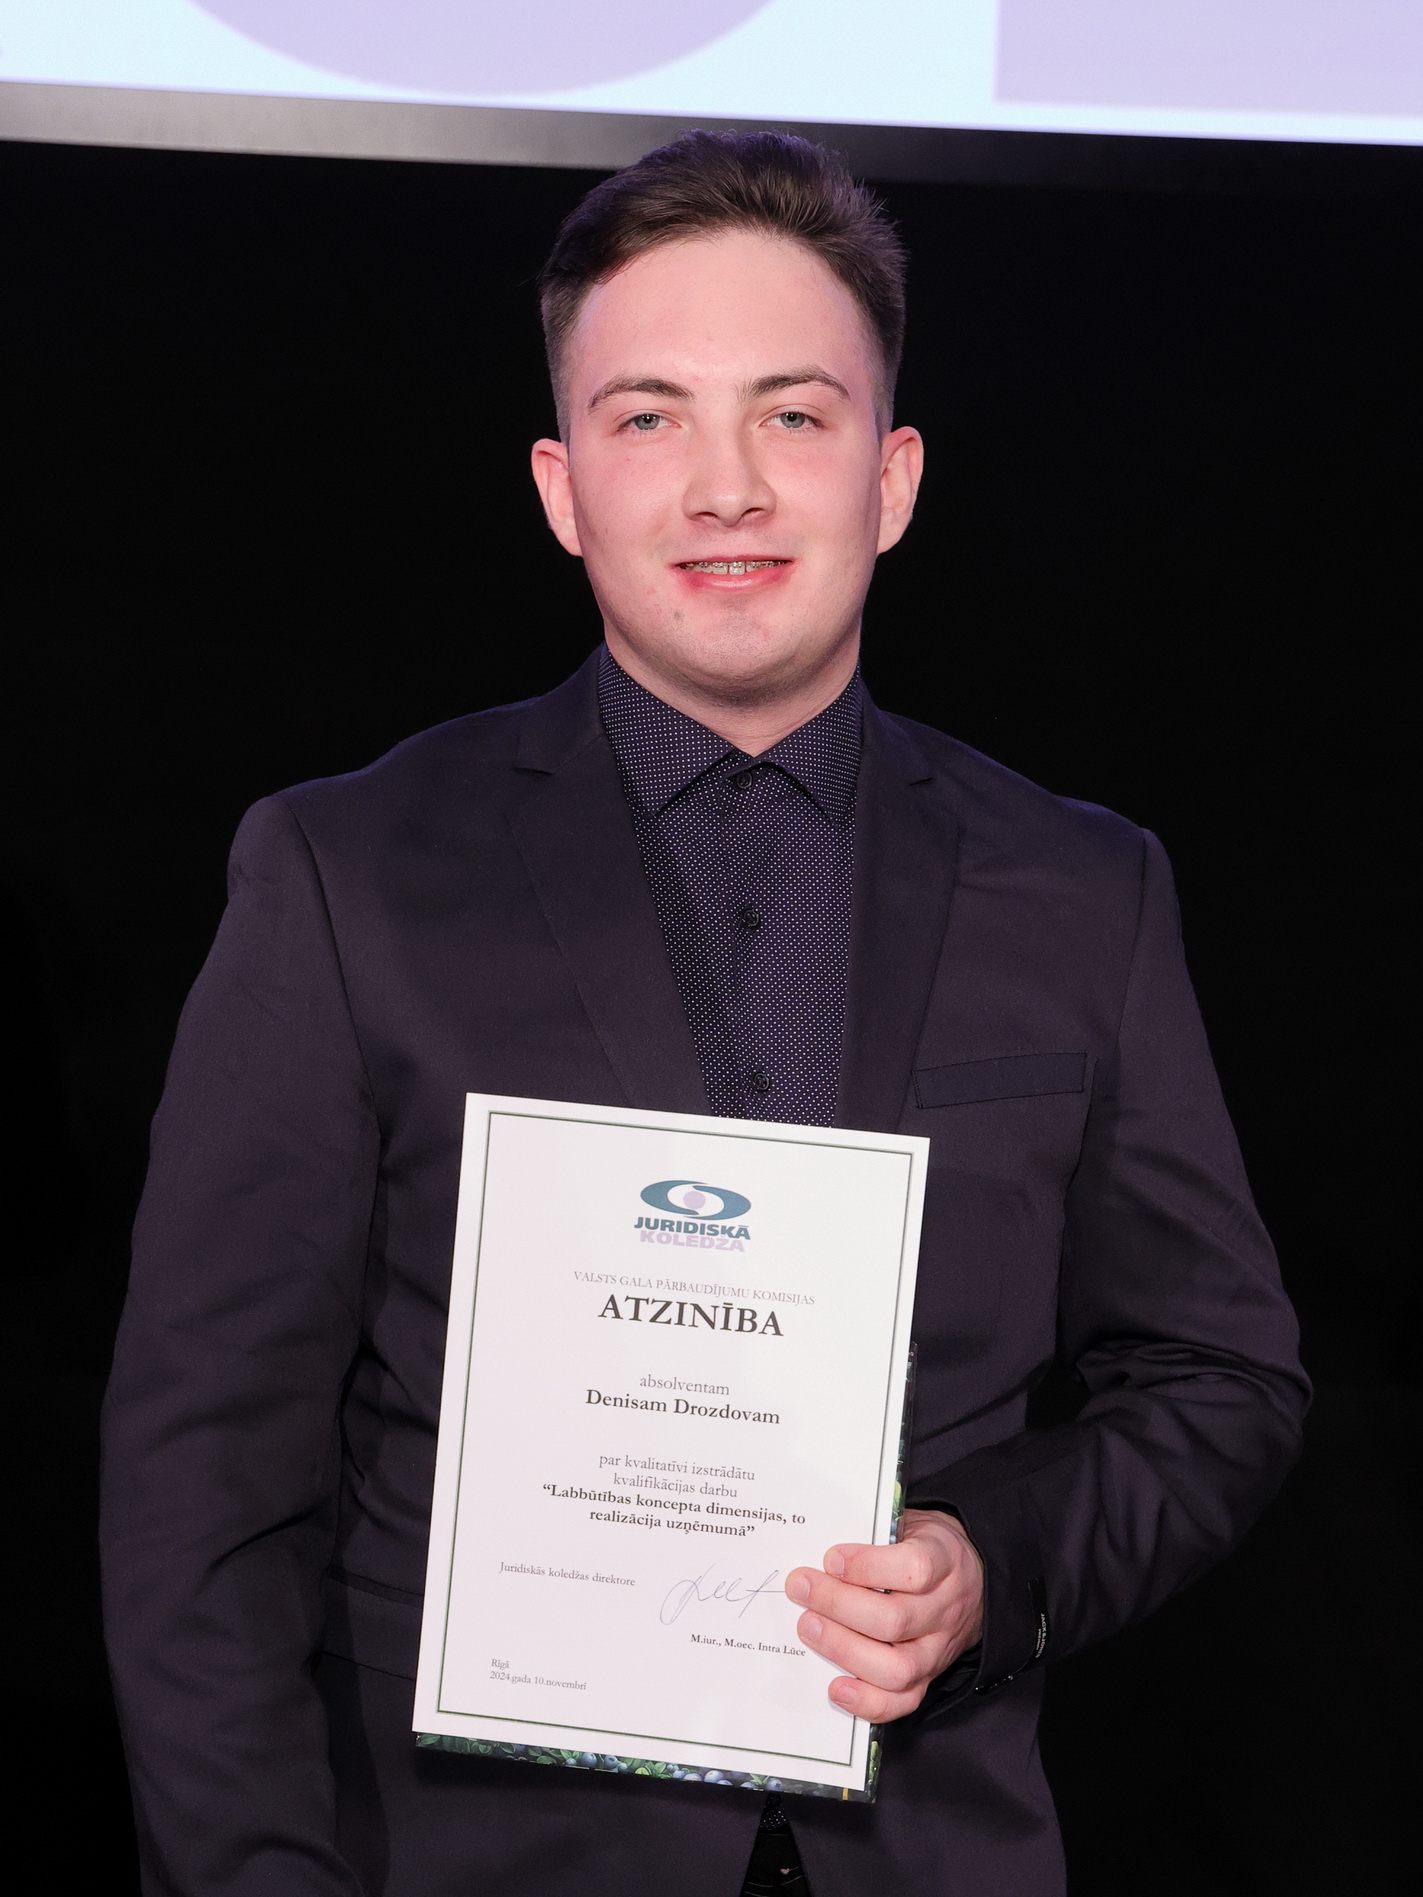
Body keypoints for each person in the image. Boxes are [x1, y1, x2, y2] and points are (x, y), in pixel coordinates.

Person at [100, 131, 1308, 1897]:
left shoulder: (1083, 889)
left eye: (793, 414)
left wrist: (992, 1559)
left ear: (891, 477)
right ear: (562, 485)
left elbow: (1222, 1379)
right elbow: (200, 1488)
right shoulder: (347, 876)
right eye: (649, 415)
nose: (726, 485)